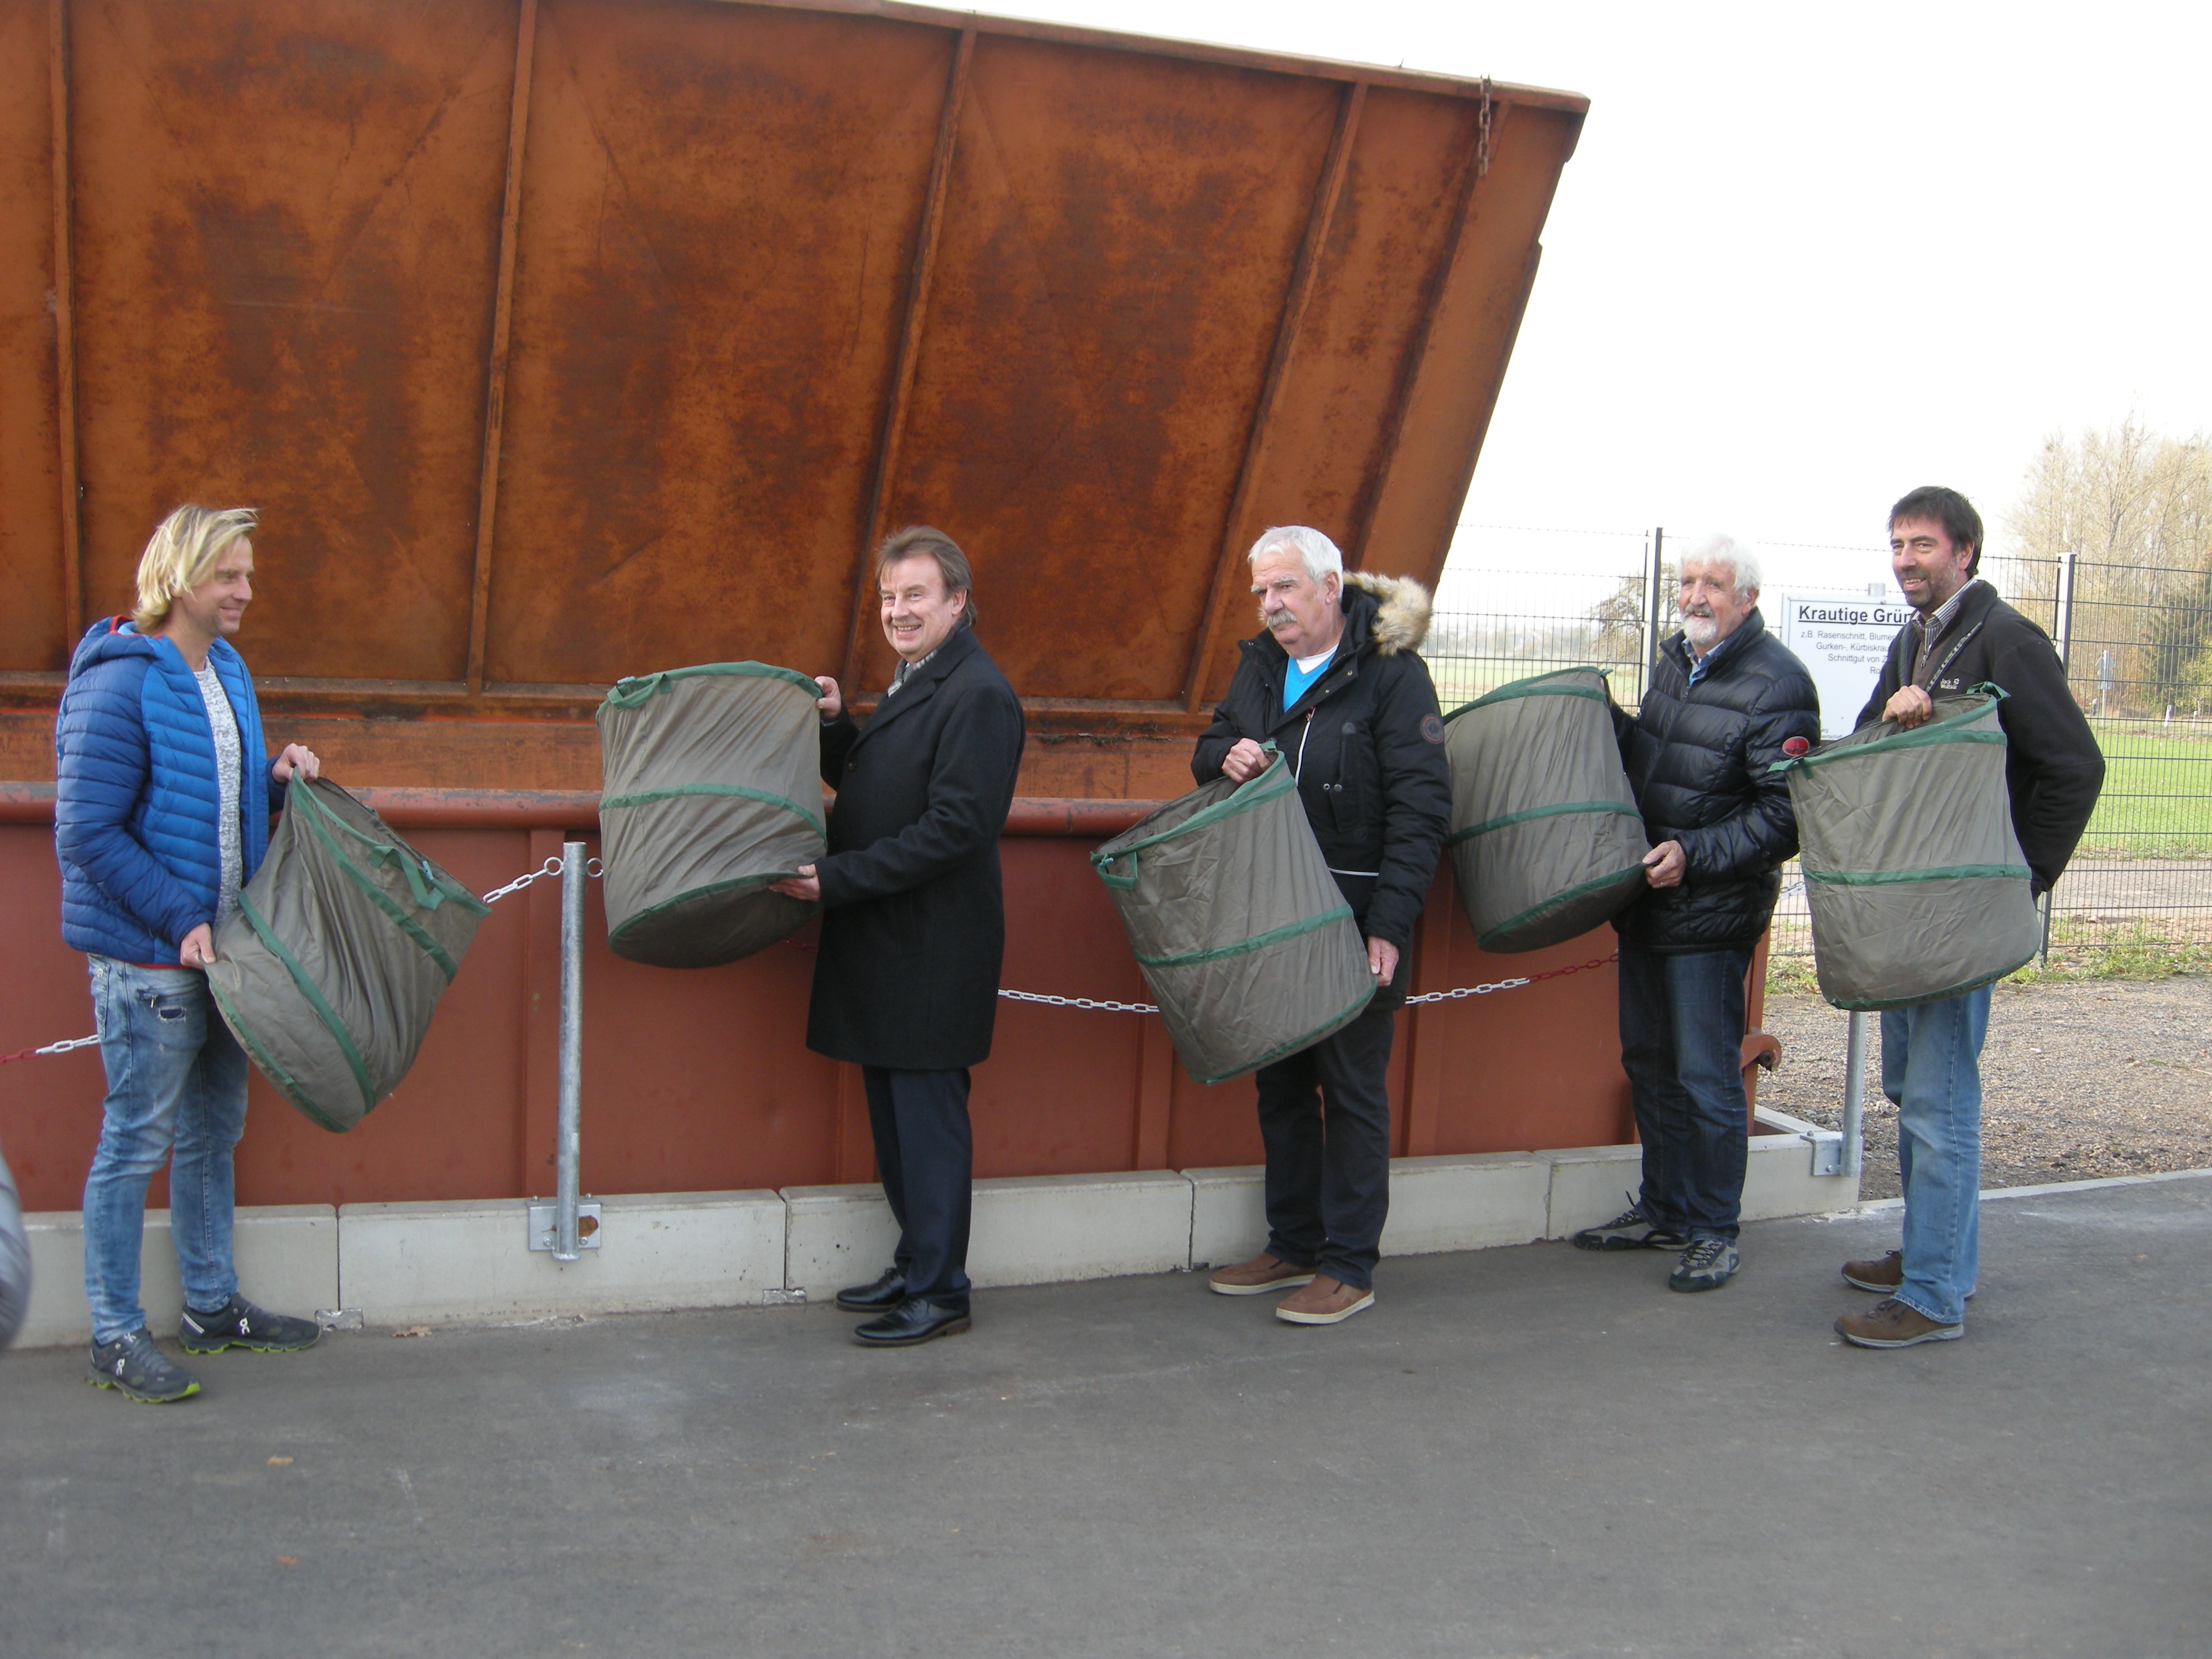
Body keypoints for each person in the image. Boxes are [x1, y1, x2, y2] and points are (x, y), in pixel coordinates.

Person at [55, 504, 325, 1403]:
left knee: (215, 1133)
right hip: (152, 959)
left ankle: (211, 1308)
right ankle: (113, 1334)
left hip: (224, 954)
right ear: (179, 578)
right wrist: (178, 917)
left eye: (247, 573)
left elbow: (215, 798)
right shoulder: (119, 682)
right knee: (134, 1144)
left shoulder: (228, 671)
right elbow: (87, 831)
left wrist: (275, 781)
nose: (246, 590)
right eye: (228, 575)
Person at [1833, 486, 2103, 1349]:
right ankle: (1933, 1253)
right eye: (1897, 545)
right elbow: (1875, 745)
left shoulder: (2006, 639)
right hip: (1912, 910)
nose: (1906, 560)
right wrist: (1894, 718)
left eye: (1922, 544)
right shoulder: (1914, 641)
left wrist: (2022, 880)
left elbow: (2076, 767)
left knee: (1939, 1102)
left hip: (1963, 916)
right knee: (1910, 1088)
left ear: (1965, 552)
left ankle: (1934, 1294)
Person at [770, 527, 1025, 1348]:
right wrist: (838, 727)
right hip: (895, 941)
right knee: (895, 1124)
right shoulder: (924, 679)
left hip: (932, 947)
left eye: (916, 594)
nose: (898, 611)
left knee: (927, 1128)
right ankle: (917, 1262)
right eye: (888, 597)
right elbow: (884, 788)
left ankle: (941, 1291)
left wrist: (834, 880)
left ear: (957, 601)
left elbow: (956, 828)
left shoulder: (978, 693)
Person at [1191, 525, 1450, 1326]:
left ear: (1330, 586)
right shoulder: (1261, 665)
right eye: (1261, 593)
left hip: (1352, 916)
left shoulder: (1391, 675)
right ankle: (1293, 1243)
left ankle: (1348, 1266)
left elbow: (1421, 810)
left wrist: (1389, 926)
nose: (1270, 606)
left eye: (1285, 588)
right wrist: (1224, 754)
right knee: (1281, 1085)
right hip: (1269, 915)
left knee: (1351, 1090)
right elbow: (1210, 743)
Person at [1573, 534, 1819, 1291]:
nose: (1694, 596)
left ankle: (1714, 1230)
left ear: (1747, 597)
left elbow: (1785, 816)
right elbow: (1657, 761)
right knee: (1649, 1065)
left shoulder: (1779, 683)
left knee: (1706, 1077)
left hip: (1710, 916)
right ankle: (1665, 1209)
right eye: (1686, 582)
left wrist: (1693, 854)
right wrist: (1601, 717)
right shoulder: (1675, 662)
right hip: (1648, 904)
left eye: (1712, 583)